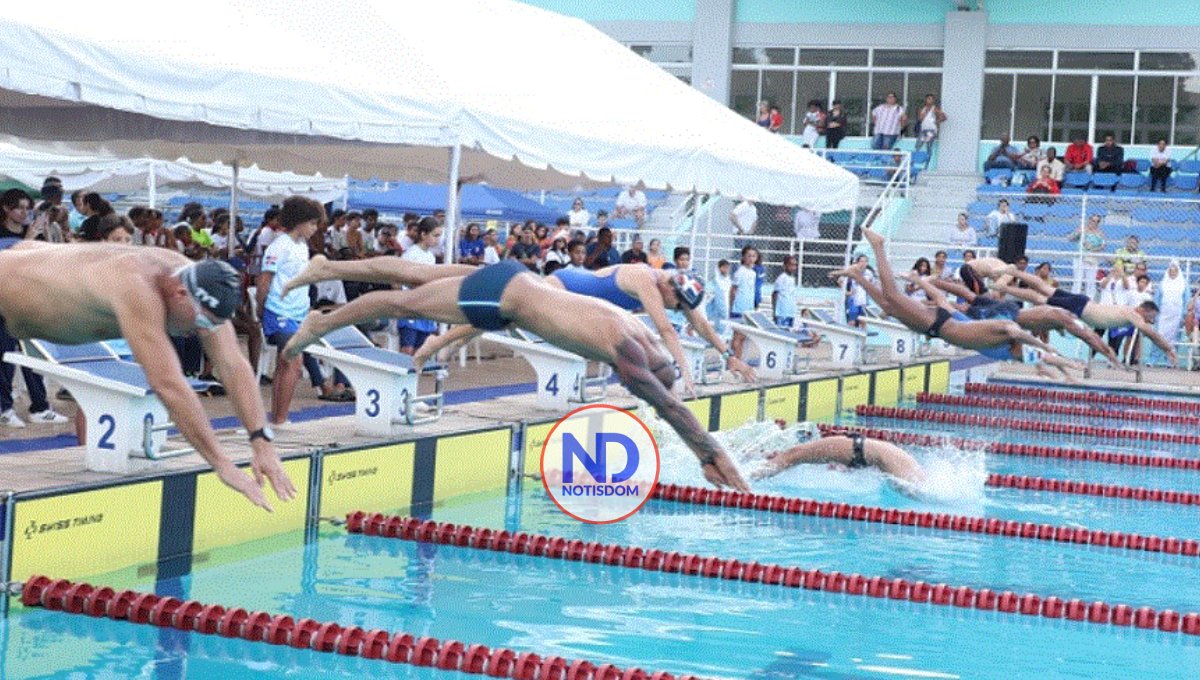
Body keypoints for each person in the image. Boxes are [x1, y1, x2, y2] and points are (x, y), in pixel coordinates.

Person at [278, 258, 751, 491]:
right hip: (507, 299)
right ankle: (321, 323)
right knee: (403, 302)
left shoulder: (634, 328)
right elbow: (667, 405)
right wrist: (711, 453)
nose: (632, 385)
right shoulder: (628, 348)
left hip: (519, 279)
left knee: (420, 274)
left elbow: (671, 367)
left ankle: (327, 266)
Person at [0, 238, 295, 509]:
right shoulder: (137, 287)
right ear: (180, 294)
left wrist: (262, 443)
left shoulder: (195, 280)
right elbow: (169, 386)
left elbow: (233, 365)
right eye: (203, 322)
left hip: (27, 267)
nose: (202, 331)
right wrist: (222, 463)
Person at [828, 224, 1061, 361]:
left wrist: (1059, 361)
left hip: (935, 326)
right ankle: (878, 246)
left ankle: (857, 275)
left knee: (889, 307)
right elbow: (1014, 330)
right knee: (893, 297)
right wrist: (1045, 346)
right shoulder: (1001, 332)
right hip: (937, 323)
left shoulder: (998, 347)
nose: (1020, 356)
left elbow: (1036, 355)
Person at [991, 266, 1179, 365]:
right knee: (1041, 298)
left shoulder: (1129, 312)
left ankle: (1013, 273)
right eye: (1151, 317)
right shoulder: (1134, 314)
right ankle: (1006, 286)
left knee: (1043, 289)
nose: (1150, 321)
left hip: (1083, 303)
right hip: (1081, 307)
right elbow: (1152, 334)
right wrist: (1168, 349)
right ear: (1144, 310)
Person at [752, 425, 924, 487]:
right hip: (858, 449)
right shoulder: (908, 469)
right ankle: (752, 476)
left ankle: (751, 475)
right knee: (792, 456)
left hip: (858, 449)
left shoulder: (906, 469)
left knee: (792, 456)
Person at [397, 218, 442, 355]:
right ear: (423, 234)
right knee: (407, 348)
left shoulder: (430, 256)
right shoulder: (411, 254)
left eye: (439, 236)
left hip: (425, 306)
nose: (438, 239)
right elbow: (401, 279)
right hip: (411, 306)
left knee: (420, 349)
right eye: (435, 235)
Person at [1067, 214, 1106, 298]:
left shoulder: (1100, 233)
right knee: (1078, 279)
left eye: (1097, 221)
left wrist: (1092, 248)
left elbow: (1102, 247)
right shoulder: (1082, 229)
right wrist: (1078, 233)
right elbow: (1070, 239)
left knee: (1091, 281)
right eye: (1092, 220)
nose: (1094, 223)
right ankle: (1074, 297)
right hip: (1080, 258)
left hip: (1092, 259)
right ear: (1089, 220)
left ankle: (1089, 298)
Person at [1157, 260, 1187, 355]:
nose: (1172, 273)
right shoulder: (1163, 283)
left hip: (1177, 314)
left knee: (1174, 337)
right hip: (1163, 314)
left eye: (1175, 271)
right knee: (1159, 335)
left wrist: (1184, 314)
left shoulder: (1183, 284)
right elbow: (1157, 298)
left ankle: (1171, 357)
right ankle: (1154, 358)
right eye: (1171, 270)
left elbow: (1186, 299)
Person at [841, 254, 875, 327]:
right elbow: (840, 280)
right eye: (861, 261)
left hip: (864, 300)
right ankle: (850, 332)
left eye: (865, 261)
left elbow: (873, 284)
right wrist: (847, 293)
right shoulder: (852, 271)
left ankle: (864, 333)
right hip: (853, 300)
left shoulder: (869, 273)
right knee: (852, 321)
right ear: (857, 263)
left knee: (863, 320)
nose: (863, 263)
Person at [913, 94, 946, 159]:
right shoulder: (923, 109)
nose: (930, 100)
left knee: (928, 145)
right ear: (926, 100)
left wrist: (937, 121)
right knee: (918, 144)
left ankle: (927, 162)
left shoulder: (935, 109)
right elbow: (920, 119)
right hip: (923, 129)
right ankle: (914, 159)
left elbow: (944, 117)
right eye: (929, 99)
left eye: (932, 99)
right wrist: (924, 113)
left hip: (931, 130)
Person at [773, 255, 798, 329]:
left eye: (795, 265)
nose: (793, 267)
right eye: (791, 265)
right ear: (784, 266)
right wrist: (774, 312)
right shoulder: (781, 278)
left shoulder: (792, 278)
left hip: (790, 312)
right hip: (782, 313)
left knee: (789, 332)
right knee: (781, 332)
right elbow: (775, 294)